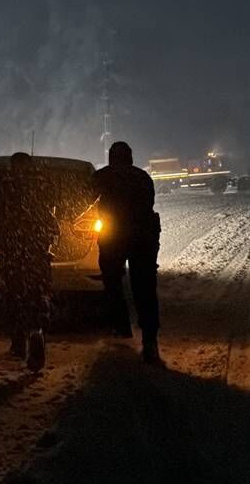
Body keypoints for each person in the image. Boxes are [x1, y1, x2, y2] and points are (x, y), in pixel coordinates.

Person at [94, 141, 163, 364]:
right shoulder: (142, 178)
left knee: (113, 283)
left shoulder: (102, 177)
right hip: (143, 238)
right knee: (144, 289)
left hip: (114, 238)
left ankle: (121, 326)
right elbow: (149, 202)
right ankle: (150, 341)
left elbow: (89, 201)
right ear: (130, 158)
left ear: (112, 158)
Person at [0, 152, 59, 372]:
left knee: (14, 293)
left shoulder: (4, 184)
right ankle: (37, 332)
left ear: (13, 166)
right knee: (38, 291)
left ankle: (18, 341)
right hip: (37, 249)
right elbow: (53, 208)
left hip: (11, 248)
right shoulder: (43, 183)